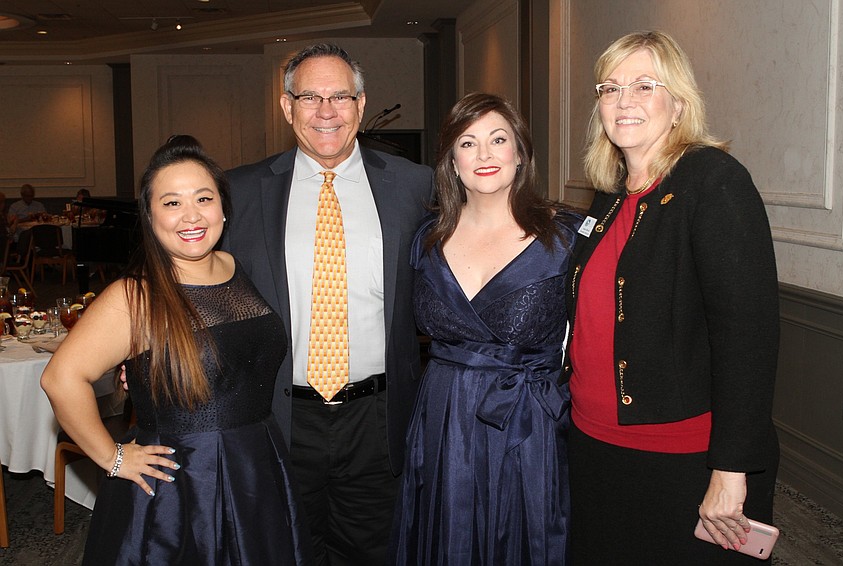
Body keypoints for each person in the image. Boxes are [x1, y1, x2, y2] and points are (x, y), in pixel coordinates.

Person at [41, 135, 311, 565]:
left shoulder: (237, 267)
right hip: (181, 484)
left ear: (223, 207)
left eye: (204, 198)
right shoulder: (136, 296)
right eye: (172, 203)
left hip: (257, 463)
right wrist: (112, 458)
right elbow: (60, 378)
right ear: (150, 217)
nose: (191, 215)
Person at [565, 30, 780, 564]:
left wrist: (731, 470)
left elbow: (748, 339)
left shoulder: (713, 181)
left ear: (679, 103)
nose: (624, 101)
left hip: (680, 456)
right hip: (594, 444)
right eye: (610, 88)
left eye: (644, 85)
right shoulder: (610, 194)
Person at [222, 44, 433, 565]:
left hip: (378, 419)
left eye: (340, 96)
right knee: (282, 550)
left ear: (361, 105)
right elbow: (196, 281)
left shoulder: (414, 185)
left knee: (374, 552)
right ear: (286, 106)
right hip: (277, 415)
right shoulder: (240, 191)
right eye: (309, 97)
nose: (326, 111)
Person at [389, 92, 582, 564]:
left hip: (528, 422)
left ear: (520, 152)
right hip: (443, 417)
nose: (485, 154)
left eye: (498, 139)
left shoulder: (566, 237)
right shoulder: (425, 238)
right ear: (452, 163)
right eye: (468, 143)